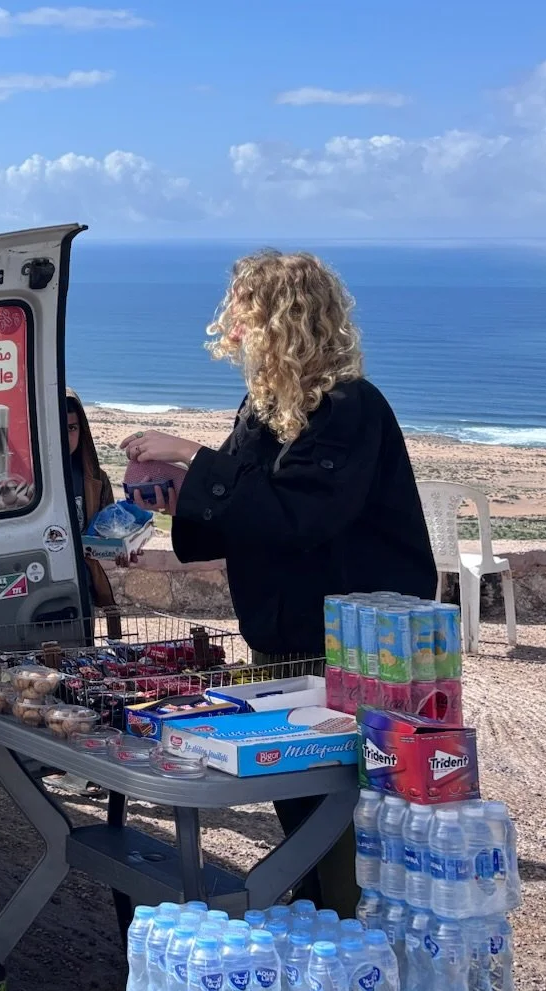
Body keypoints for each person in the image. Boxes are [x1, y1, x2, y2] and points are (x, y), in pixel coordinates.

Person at [123, 249, 435, 912]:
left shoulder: (350, 408)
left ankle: (358, 942)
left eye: (243, 318)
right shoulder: (264, 409)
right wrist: (175, 499)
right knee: (300, 802)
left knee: (348, 811)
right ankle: (323, 924)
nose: (232, 335)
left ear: (279, 322)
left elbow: (297, 517)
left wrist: (191, 455)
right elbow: (239, 511)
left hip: (354, 651)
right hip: (287, 638)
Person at [63, 390, 117, 609]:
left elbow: (109, 532)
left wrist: (121, 549)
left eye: (72, 428)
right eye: (58, 426)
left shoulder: (96, 479)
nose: (65, 436)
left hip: (82, 583)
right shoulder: (28, 481)